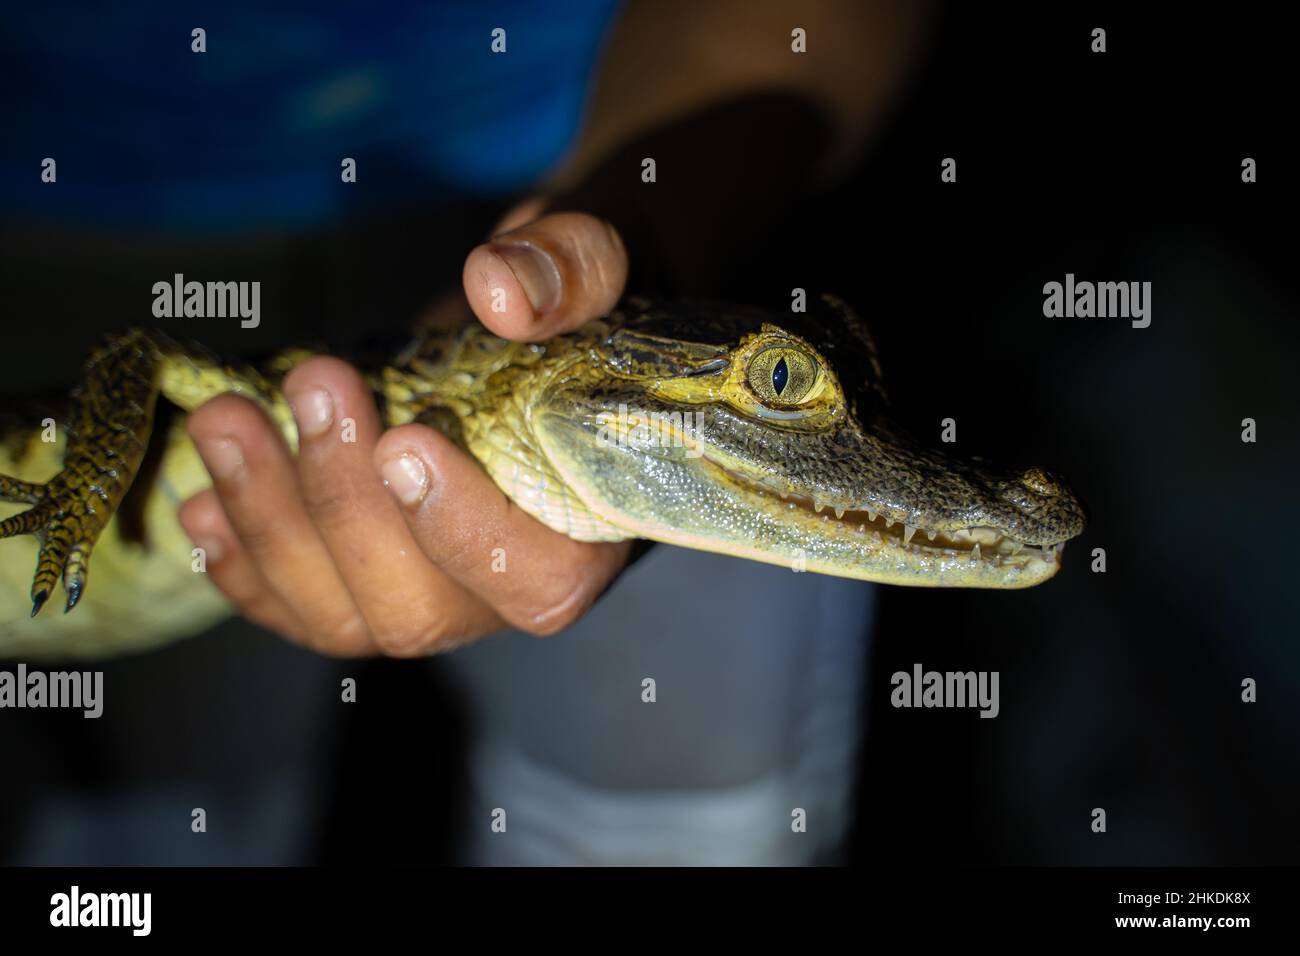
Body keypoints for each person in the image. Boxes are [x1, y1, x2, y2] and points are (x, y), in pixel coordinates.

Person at [3, 0, 931, 864]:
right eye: (780, 383)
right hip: (73, 187)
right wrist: (87, 488)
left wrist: (643, 222)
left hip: (566, 145)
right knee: (151, 825)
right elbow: (136, 353)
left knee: (688, 817)